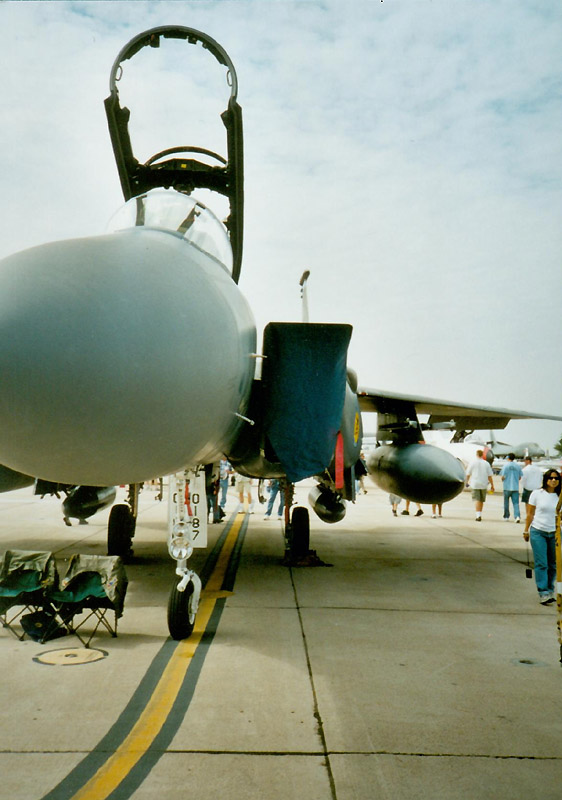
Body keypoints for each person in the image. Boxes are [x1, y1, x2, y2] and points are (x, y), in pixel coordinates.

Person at [523, 469, 561, 605]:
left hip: (555, 533)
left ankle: (550, 590)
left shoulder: (560, 496)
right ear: (546, 480)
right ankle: (543, 592)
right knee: (541, 563)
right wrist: (526, 530)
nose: (553, 480)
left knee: (553, 564)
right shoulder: (537, 494)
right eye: (551, 478)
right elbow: (530, 514)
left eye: (556, 478)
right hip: (538, 531)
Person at [466, 449, 494, 521]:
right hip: (484, 484)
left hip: (475, 484)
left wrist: (466, 482)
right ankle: (479, 513)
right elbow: (490, 476)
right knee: (481, 500)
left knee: (477, 499)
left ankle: (478, 515)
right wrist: (492, 485)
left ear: (476, 455)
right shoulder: (486, 463)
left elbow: (468, 474)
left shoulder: (472, 463)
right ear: (482, 455)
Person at [499, 453, 523, 522]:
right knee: (516, 503)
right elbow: (520, 477)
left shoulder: (505, 466)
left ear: (508, 457)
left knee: (506, 502)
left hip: (507, 486)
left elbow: (502, 476)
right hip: (515, 487)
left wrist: (503, 480)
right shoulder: (518, 466)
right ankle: (517, 516)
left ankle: (506, 516)